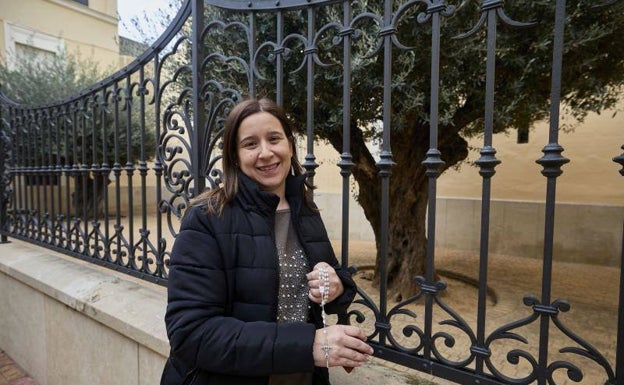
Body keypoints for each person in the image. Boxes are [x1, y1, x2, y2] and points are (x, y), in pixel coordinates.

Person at [160, 98, 373, 385]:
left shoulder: (305, 210)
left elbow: (321, 284)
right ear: (234, 156)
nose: (265, 152)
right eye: (250, 144)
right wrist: (309, 345)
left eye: (274, 138)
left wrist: (335, 287)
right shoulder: (207, 217)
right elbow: (191, 332)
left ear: (290, 145)